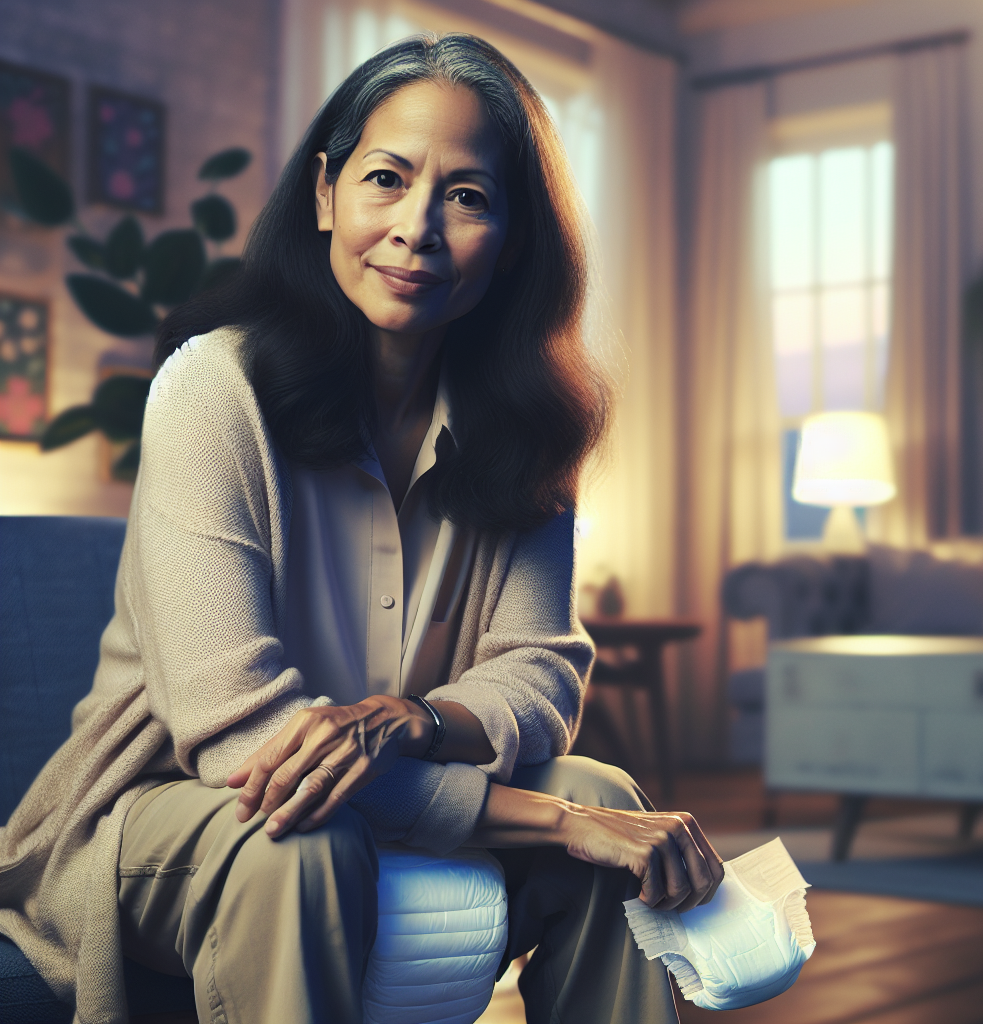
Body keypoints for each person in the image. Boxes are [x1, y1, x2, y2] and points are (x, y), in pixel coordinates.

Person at [0, 33, 723, 1024]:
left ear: (512, 237)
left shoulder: (529, 421)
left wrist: (419, 720)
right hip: (177, 810)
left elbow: (540, 670)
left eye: (468, 196)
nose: (418, 227)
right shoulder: (213, 386)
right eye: (387, 179)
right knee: (308, 833)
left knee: (609, 790)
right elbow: (241, 740)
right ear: (325, 192)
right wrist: (555, 819)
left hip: (392, 784)